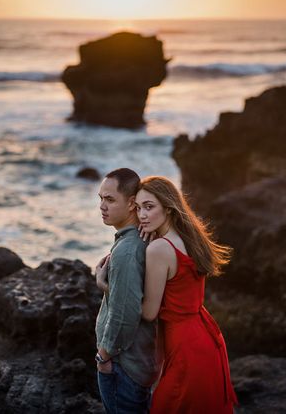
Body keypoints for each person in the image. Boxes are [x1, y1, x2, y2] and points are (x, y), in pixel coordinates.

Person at [136, 175, 238, 413]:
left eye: (149, 207)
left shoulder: (159, 248)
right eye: (139, 208)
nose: (141, 215)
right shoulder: (190, 238)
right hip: (206, 340)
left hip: (185, 349)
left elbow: (149, 313)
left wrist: (108, 287)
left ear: (169, 209)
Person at [94, 168, 162, 414]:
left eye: (110, 200)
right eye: (101, 198)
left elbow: (126, 312)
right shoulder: (142, 241)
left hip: (123, 366)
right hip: (138, 363)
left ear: (132, 204)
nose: (102, 206)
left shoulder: (128, 250)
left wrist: (104, 356)